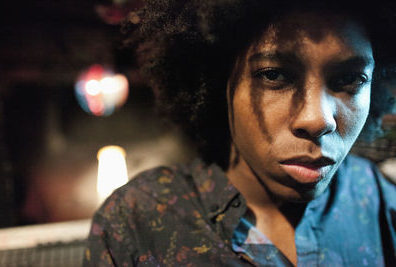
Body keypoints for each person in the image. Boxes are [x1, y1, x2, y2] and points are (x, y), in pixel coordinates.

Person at [84, 0, 396, 266]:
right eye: (274, 75)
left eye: (350, 79)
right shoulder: (139, 219)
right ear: (218, 82)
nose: (317, 120)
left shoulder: (378, 199)